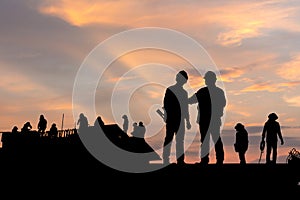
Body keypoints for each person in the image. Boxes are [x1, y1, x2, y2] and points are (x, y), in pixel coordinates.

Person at [188, 71, 226, 165]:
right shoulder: (218, 91)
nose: (206, 81)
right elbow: (223, 103)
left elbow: (191, 100)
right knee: (213, 139)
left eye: (207, 79)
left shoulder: (203, 92)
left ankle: (206, 160)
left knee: (207, 140)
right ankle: (217, 160)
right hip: (211, 120)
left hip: (206, 120)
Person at [162, 70, 191, 165]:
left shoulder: (182, 92)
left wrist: (187, 121)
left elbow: (185, 107)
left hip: (178, 119)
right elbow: (166, 104)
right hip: (173, 119)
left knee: (177, 140)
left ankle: (178, 160)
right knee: (171, 139)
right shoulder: (173, 90)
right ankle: (168, 160)